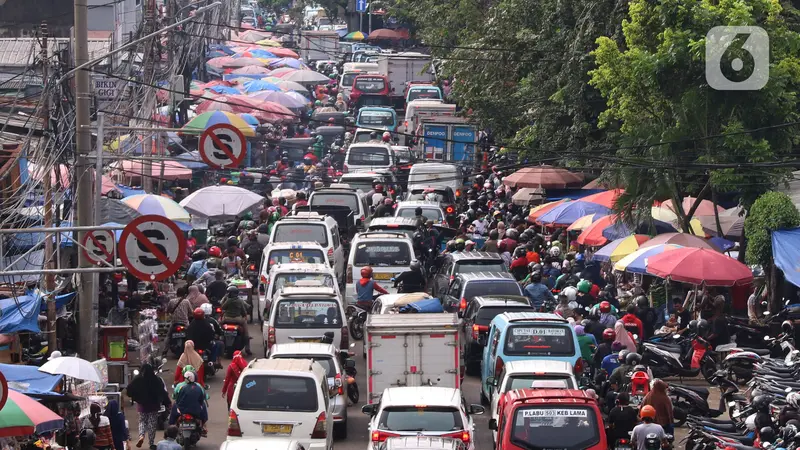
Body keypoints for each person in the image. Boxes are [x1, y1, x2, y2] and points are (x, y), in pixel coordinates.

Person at [127, 361, 171, 450]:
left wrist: (135, 398)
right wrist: (167, 402)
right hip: (154, 406)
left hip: (142, 405)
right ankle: (151, 443)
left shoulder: (137, 379)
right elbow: (163, 392)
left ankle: (141, 436)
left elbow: (129, 390)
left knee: (142, 421)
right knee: (152, 423)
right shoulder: (157, 380)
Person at [220, 285, 252, 356]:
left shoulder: (228, 300)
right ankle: (247, 348)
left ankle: (218, 335)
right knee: (246, 332)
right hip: (237, 319)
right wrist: (244, 316)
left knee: (219, 325)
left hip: (227, 319)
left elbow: (222, 307)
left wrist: (225, 297)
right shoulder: (239, 301)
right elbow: (244, 311)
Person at [163, 288, 192, 357]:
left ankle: (164, 351)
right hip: (185, 323)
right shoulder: (186, 301)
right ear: (184, 295)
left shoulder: (171, 301)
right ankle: (191, 350)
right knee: (190, 335)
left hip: (174, 323)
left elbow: (167, 311)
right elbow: (191, 312)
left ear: (176, 293)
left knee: (168, 336)